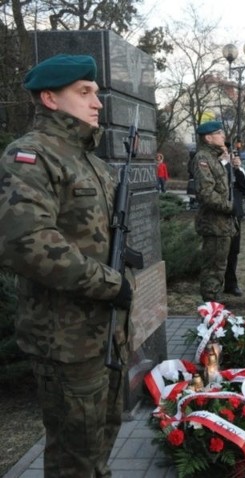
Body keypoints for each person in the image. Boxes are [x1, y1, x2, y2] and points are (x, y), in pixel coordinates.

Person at [0, 54, 134, 477]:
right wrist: (112, 284)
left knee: (100, 442)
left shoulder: (90, 161)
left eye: (95, 92)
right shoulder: (30, 155)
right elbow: (27, 242)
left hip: (106, 333)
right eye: (84, 92)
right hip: (65, 339)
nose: (97, 102)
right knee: (73, 458)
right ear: (49, 98)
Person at [190, 121, 236, 301]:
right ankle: (210, 314)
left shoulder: (215, 159)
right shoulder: (203, 158)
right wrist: (231, 206)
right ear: (208, 138)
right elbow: (206, 193)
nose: (223, 136)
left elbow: (224, 188)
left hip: (223, 225)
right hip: (214, 224)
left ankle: (214, 311)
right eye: (219, 133)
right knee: (213, 271)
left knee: (219, 269)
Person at [224, 152, 245, 296]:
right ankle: (216, 285)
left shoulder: (237, 171)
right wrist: (225, 164)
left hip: (235, 217)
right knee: (220, 252)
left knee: (233, 251)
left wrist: (238, 168)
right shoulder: (218, 168)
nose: (229, 156)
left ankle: (231, 284)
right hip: (220, 216)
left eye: (232, 154)